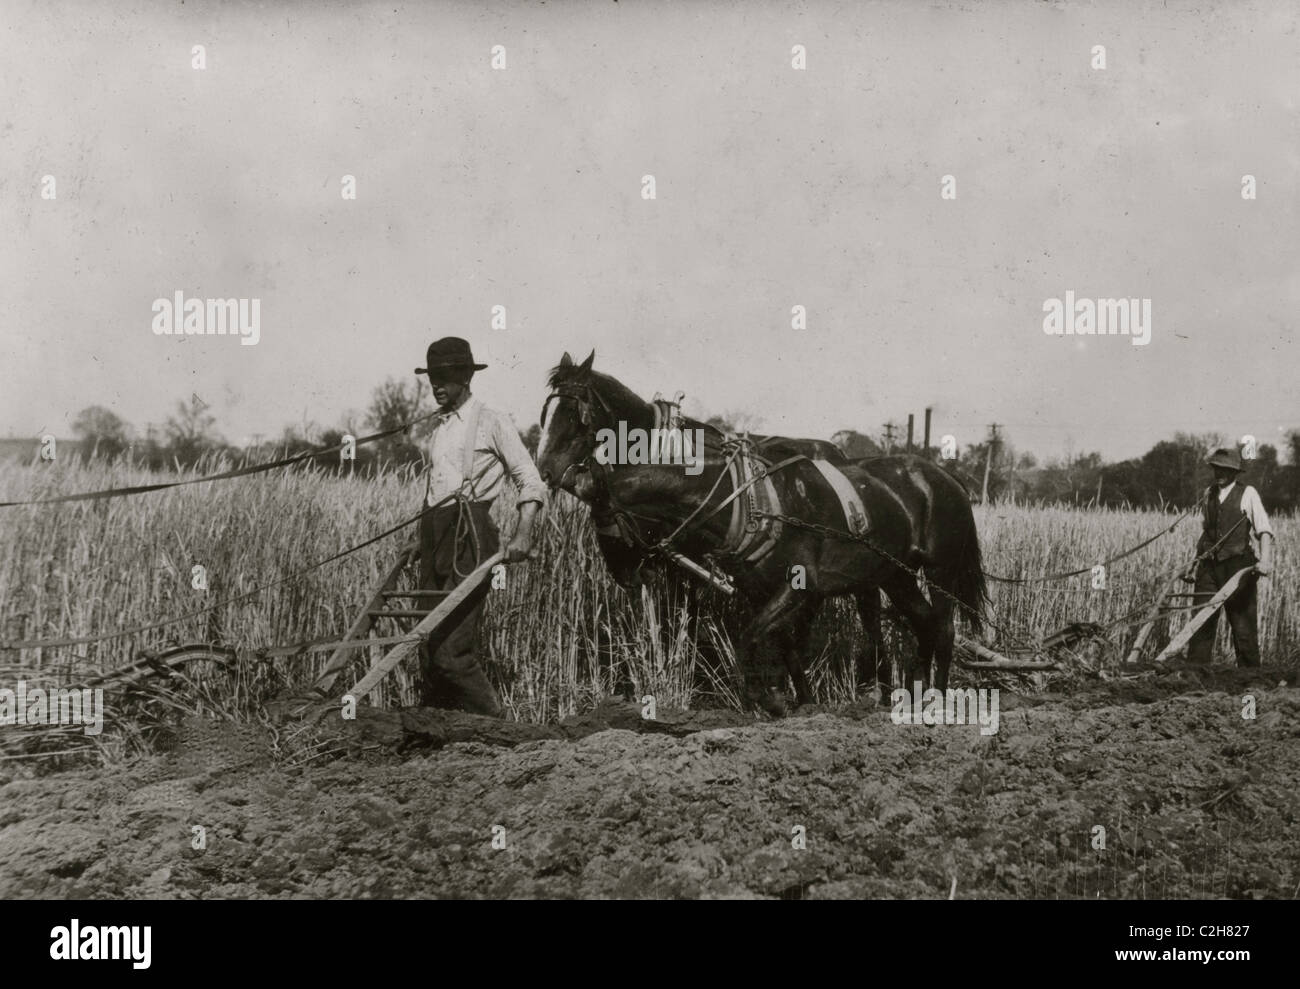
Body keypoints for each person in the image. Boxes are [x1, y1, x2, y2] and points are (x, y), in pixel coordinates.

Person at [413, 337, 546, 716]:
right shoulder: (439, 429)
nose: (437, 385)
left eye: (446, 376)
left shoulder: (491, 420)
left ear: (466, 377)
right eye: (432, 377)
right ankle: (440, 730)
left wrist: (523, 533)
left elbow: (530, 478)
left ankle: (496, 727)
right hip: (434, 533)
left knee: (451, 651)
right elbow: (437, 488)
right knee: (423, 641)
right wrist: (416, 540)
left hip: (470, 536)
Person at [1186, 446, 1274, 667]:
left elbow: (1263, 530)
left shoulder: (1248, 493)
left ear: (1235, 472)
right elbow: (1207, 532)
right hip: (1208, 567)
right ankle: (1193, 678)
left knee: (1242, 626)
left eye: (1225, 470)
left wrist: (1264, 561)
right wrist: (1194, 562)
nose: (1220, 474)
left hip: (1237, 565)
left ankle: (1250, 678)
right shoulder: (1209, 494)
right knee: (1200, 622)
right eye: (1217, 469)